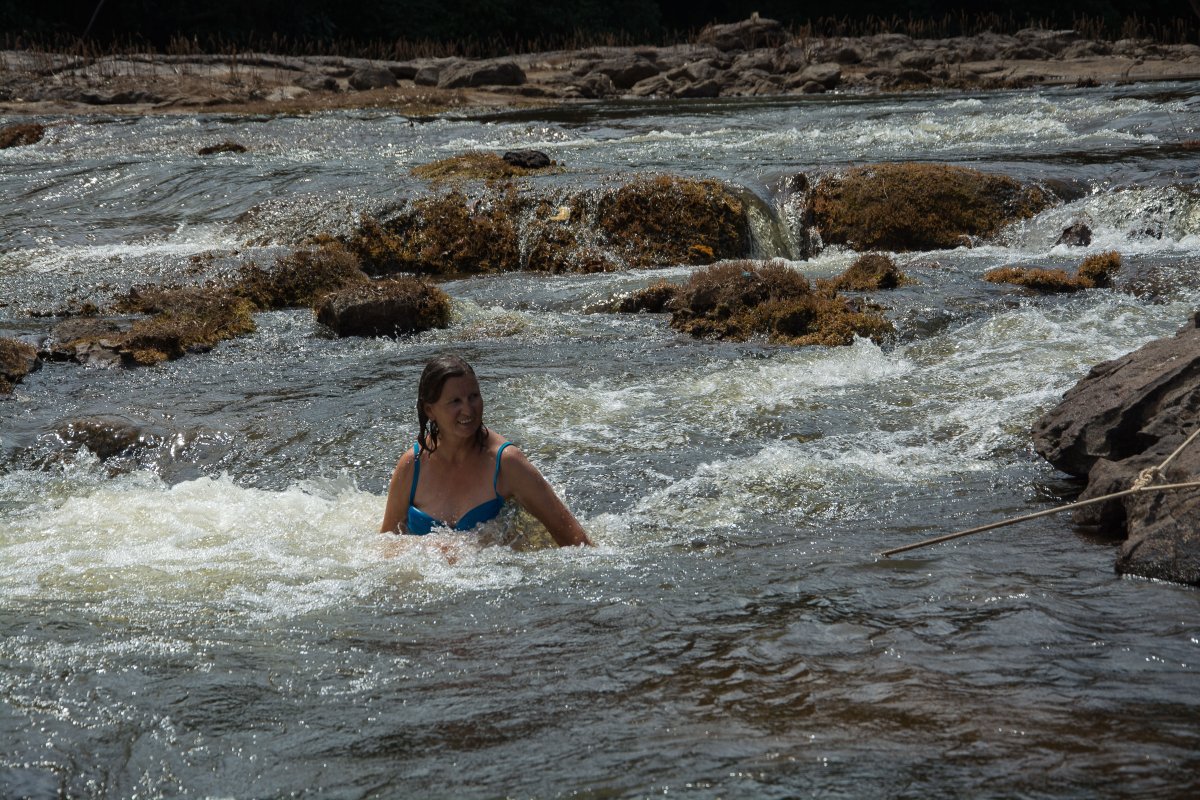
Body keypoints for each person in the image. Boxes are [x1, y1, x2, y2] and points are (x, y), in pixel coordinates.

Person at [380, 354, 593, 547]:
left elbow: (576, 540)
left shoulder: (507, 463)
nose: (468, 409)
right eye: (455, 401)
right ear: (430, 410)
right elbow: (386, 546)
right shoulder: (412, 465)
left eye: (473, 396)